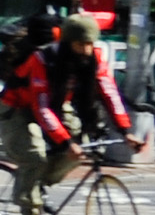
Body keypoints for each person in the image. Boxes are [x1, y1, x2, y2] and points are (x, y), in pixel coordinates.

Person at [0, 15, 67, 215]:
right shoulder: (39, 57)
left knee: (80, 148)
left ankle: (37, 184)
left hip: (45, 103)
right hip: (14, 109)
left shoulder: (73, 55)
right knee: (34, 157)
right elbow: (40, 104)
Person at [50, 16, 131, 149]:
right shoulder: (47, 59)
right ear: (68, 43)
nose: (87, 51)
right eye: (81, 44)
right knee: (38, 154)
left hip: (59, 106)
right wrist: (65, 140)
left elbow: (110, 92)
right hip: (21, 110)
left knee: (78, 148)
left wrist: (125, 130)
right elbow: (41, 106)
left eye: (90, 44)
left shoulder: (95, 58)